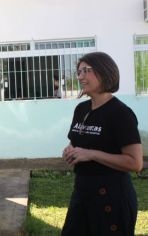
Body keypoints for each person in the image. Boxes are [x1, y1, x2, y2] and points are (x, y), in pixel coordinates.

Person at [61, 52, 143, 236]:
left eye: (86, 71)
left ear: (104, 72)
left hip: (111, 197)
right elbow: (76, 142)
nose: (80, 76)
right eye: (79, 71)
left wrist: (91, 154)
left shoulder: (121, 113)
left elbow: (135, 163)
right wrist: (70, 150)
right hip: (83, 192)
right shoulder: (81, 109)